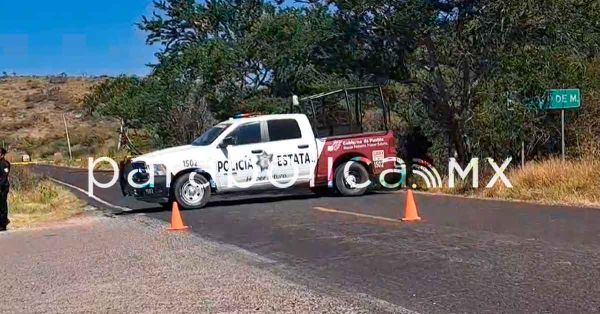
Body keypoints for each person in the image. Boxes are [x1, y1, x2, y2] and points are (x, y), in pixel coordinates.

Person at [0, 148, 10, 231]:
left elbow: (4, 177)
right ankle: (4, 220)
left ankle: (3, 225)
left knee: (2, 206)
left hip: (2, 188)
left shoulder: (4, 164)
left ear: (2, 154)